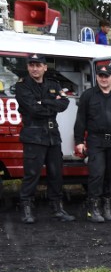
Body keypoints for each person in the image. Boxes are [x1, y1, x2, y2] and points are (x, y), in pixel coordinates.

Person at [15, 53, 73, 224]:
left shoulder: (53, 84)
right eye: (31, 65)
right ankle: (26, 209)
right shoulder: (22, 86)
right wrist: (50, 103)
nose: (35, 68)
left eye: (38, 65)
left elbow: (64, 104)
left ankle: (57, 209)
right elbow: (32, 110)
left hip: (52, 136)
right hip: (33, 135)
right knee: (31, 174)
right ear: (27, 67)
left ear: (45, 67)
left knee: (56, 174)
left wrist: (43, 102)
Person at [74, 64, 111, 222]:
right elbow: (80, 120)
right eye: (100, 76)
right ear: (97, 77)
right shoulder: (88, 95)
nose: (103, 79)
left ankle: (108, 205)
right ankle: (94, 207)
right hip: (95, 140)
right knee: (97, 174)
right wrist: (79, 141)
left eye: (106, 76)